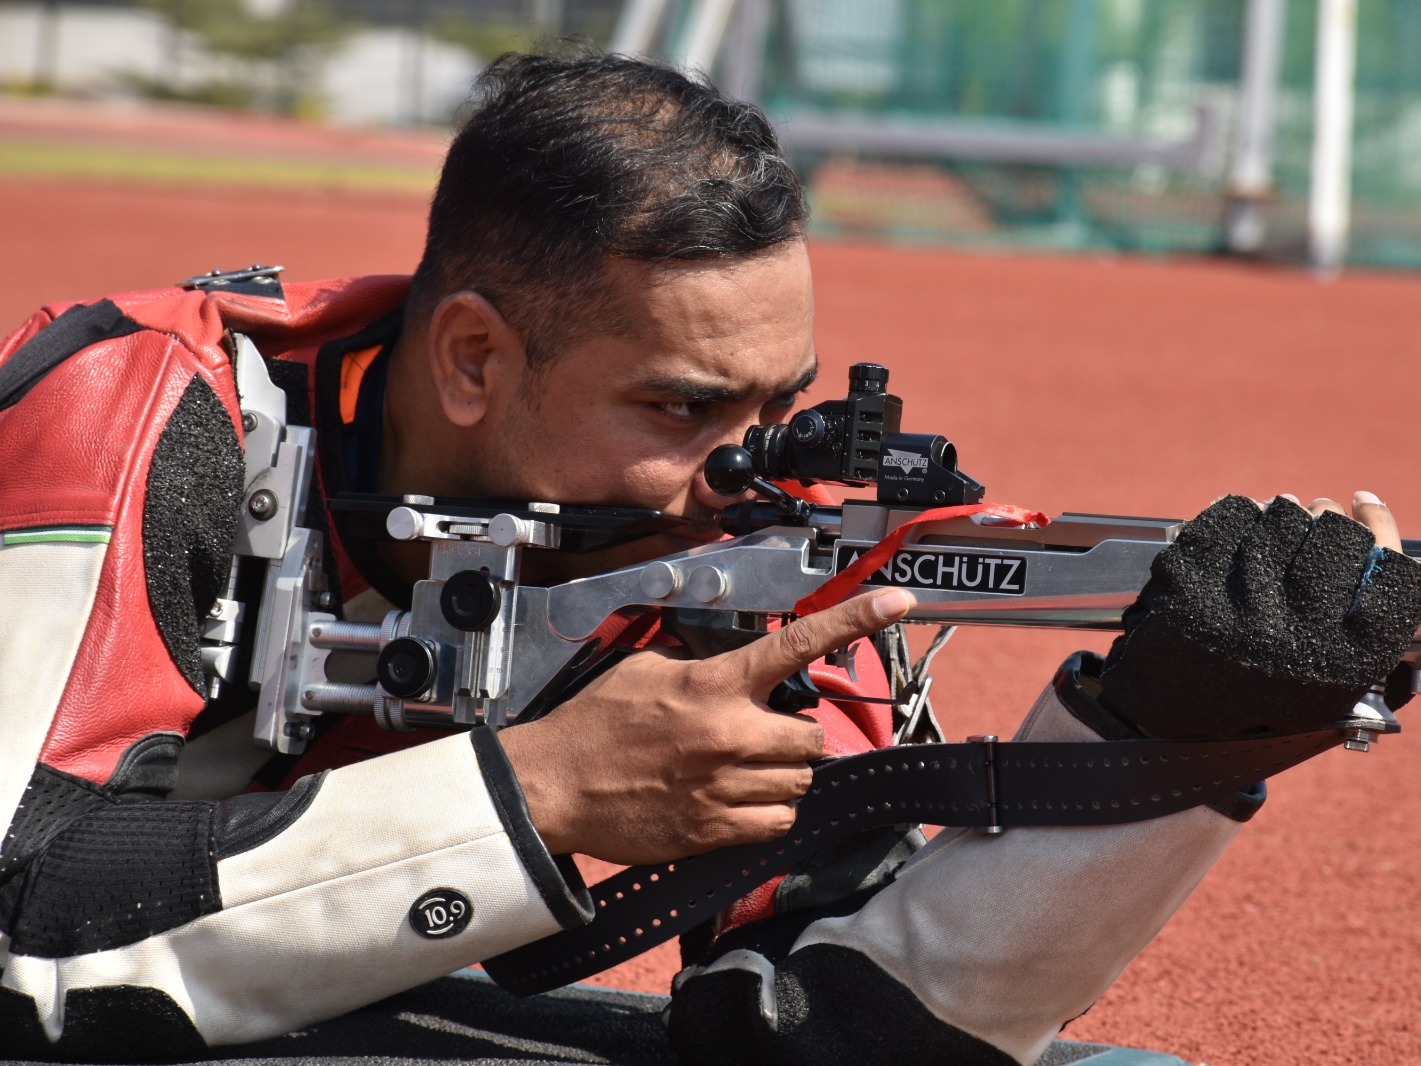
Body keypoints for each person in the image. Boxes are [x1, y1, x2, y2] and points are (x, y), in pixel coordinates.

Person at [0, 50, 1417, 1065]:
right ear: (476, 357)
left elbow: (855, 1030)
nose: (747, 465)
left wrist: (1171, 731)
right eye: (682, 408)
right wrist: (542, 788)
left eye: (775, 401)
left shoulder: (768, 520)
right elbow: (24, 920)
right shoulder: (140, 414)